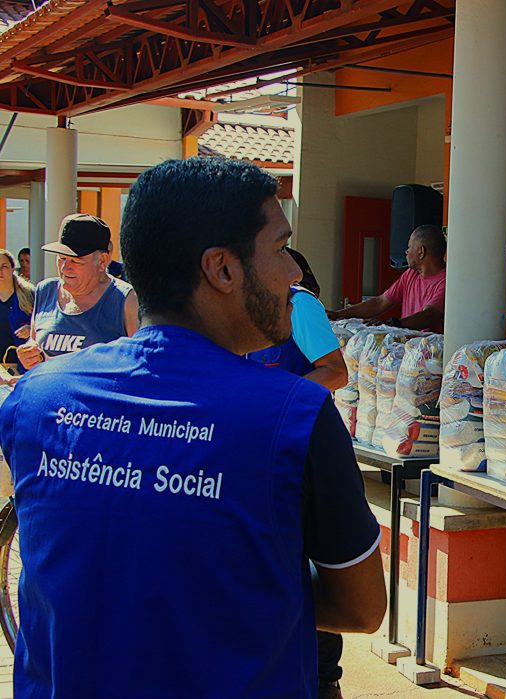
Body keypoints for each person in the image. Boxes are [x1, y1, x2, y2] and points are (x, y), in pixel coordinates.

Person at [0, 157, 387, 698]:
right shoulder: (295, 416)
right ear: (222, 269)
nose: (295, 273)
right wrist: (234, 582)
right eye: (280, 249)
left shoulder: (36, 399)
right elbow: (362, 607)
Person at [248, 246, 347, 699]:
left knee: (312, 561)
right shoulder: (241, 307)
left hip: (302, 448)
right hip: (257, 449)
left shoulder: (299, 304)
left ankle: (325, 679)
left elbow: (335, 372)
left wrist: (277, 397)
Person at [16, 214, 139, 371]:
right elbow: (35, 341)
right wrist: (30, 354)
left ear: (102, 261)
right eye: (61, 258)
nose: (64, 268)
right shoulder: (45, 291)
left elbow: (141, 365)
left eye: (75, 261)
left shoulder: (126, 300)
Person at [249, 247, 347, 392]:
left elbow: (336, 373)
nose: (297, 274)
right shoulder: (228, 309)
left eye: (283, 248)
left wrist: (275, 400)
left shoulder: (299, 303)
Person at [328, 224, 446, 332]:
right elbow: (380, 302)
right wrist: (338, 314)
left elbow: (430, 315)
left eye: (409, 247)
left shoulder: (446, 281)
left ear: (421, 251)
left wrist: (392, 324)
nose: (406, 252)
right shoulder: (410, 274)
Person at [0, 249, 34, 367]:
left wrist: (31, 329)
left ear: (13, 269)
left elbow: (46, 324)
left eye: (4, 266)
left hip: (25, 366)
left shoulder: (30, 294)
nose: (0, 271)